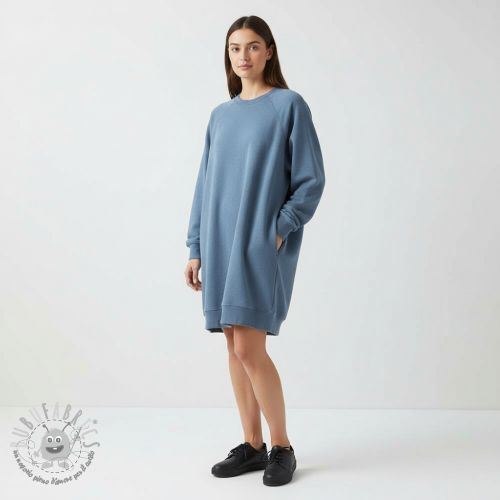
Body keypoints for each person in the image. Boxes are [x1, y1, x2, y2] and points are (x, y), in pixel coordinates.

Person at [184, 15, 325, 487]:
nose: (243, 56)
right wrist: (196, 246)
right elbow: (205, 185)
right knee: (233, 343)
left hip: (258, 243)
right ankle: (252, 445)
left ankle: (282, 446)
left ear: (269, 51)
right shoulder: (220, 115)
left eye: (252, 47)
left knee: (249, 344)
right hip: (220, 243)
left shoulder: (289, 105)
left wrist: (279, 229)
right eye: (234, 48)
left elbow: (310, 180)